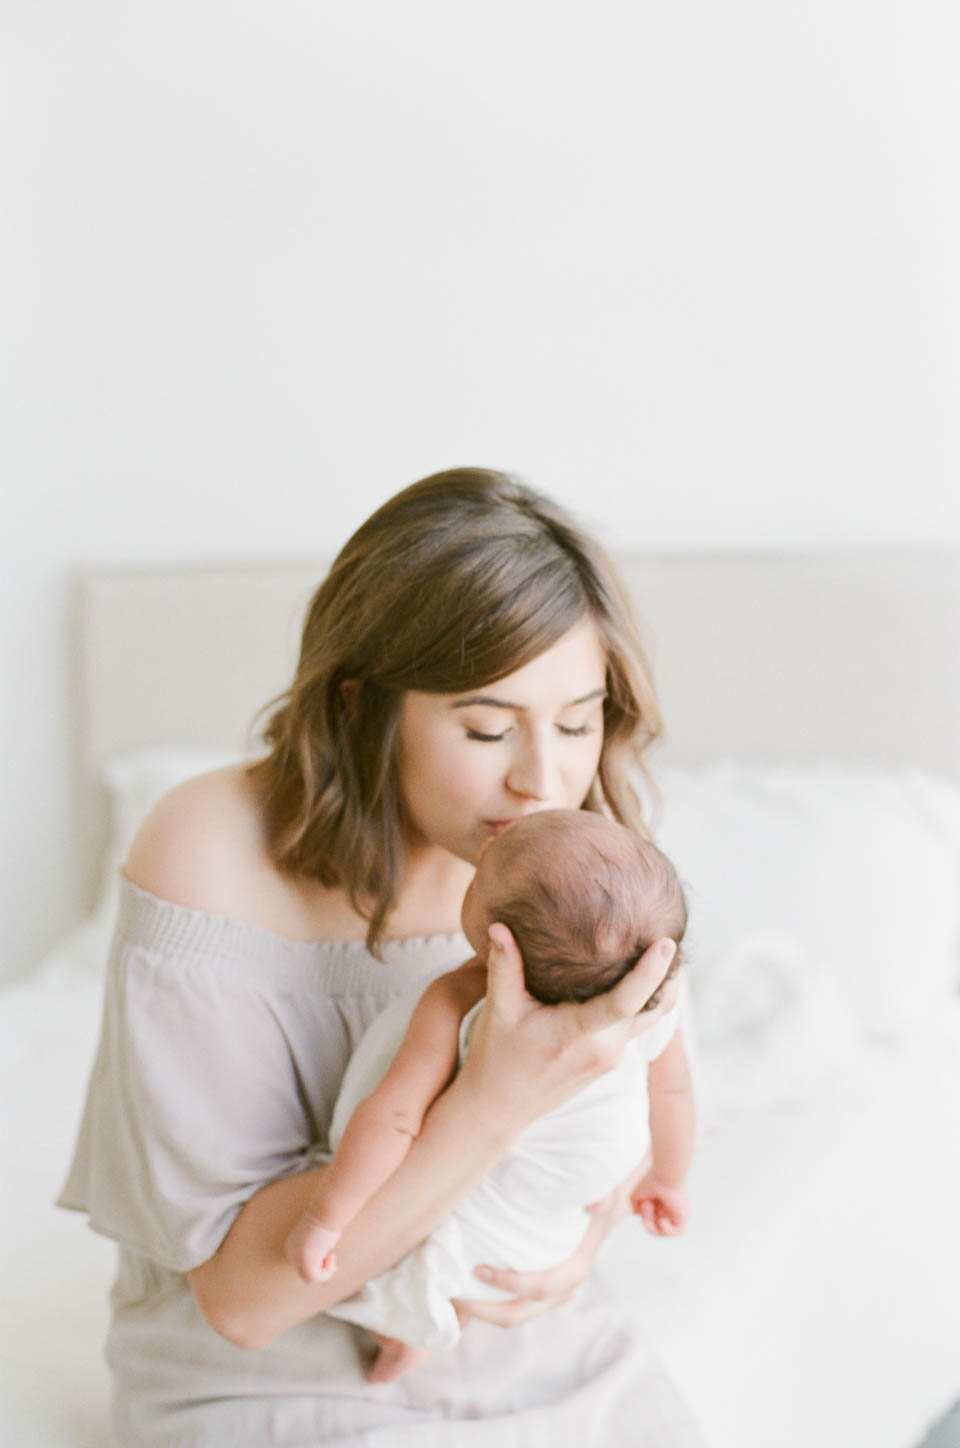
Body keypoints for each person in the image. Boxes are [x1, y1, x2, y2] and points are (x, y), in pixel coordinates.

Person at [58, 468, 705, 1447]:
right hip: (268, 1387)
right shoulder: (212, 849)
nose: (543, 778)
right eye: (487, 726)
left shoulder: (573, 852)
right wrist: (492, 1102)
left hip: (547, 1351)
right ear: (366, 704)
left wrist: (586, 1242)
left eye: (577, 721)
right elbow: (244, 1302)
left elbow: (625, 1108)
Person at [285, 808, 693, 1383]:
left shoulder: (458, 999)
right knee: (488, 1243)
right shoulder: (650, 1004)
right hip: (559, 1229)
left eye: (479, 880)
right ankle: (445, 1318)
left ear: (500, 941)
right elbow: (671, 1087)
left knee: (412, 1253)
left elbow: (394, 1119)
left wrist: (325, 1220)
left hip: (486, 1220)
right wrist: (668, 1180)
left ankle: (409, 1330)